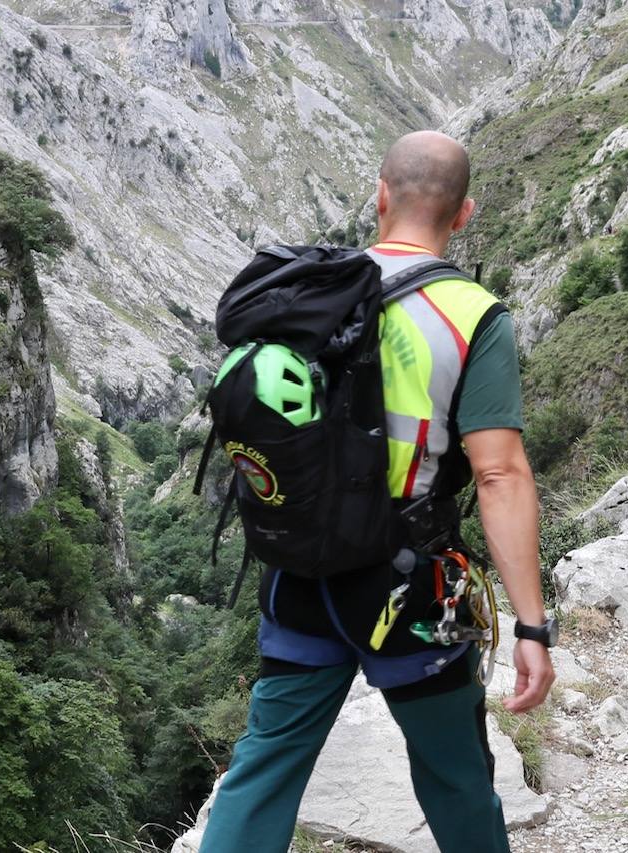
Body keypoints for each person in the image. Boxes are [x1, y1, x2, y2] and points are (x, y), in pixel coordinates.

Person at [201, 131, 556, 852]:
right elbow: (498, 473)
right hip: (409, 588)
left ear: (381, 195)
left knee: (263, 773)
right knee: (455, 778)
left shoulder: (306, 295)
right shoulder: (473, 315)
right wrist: (531, 625)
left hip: (300, 572)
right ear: (464, 214)